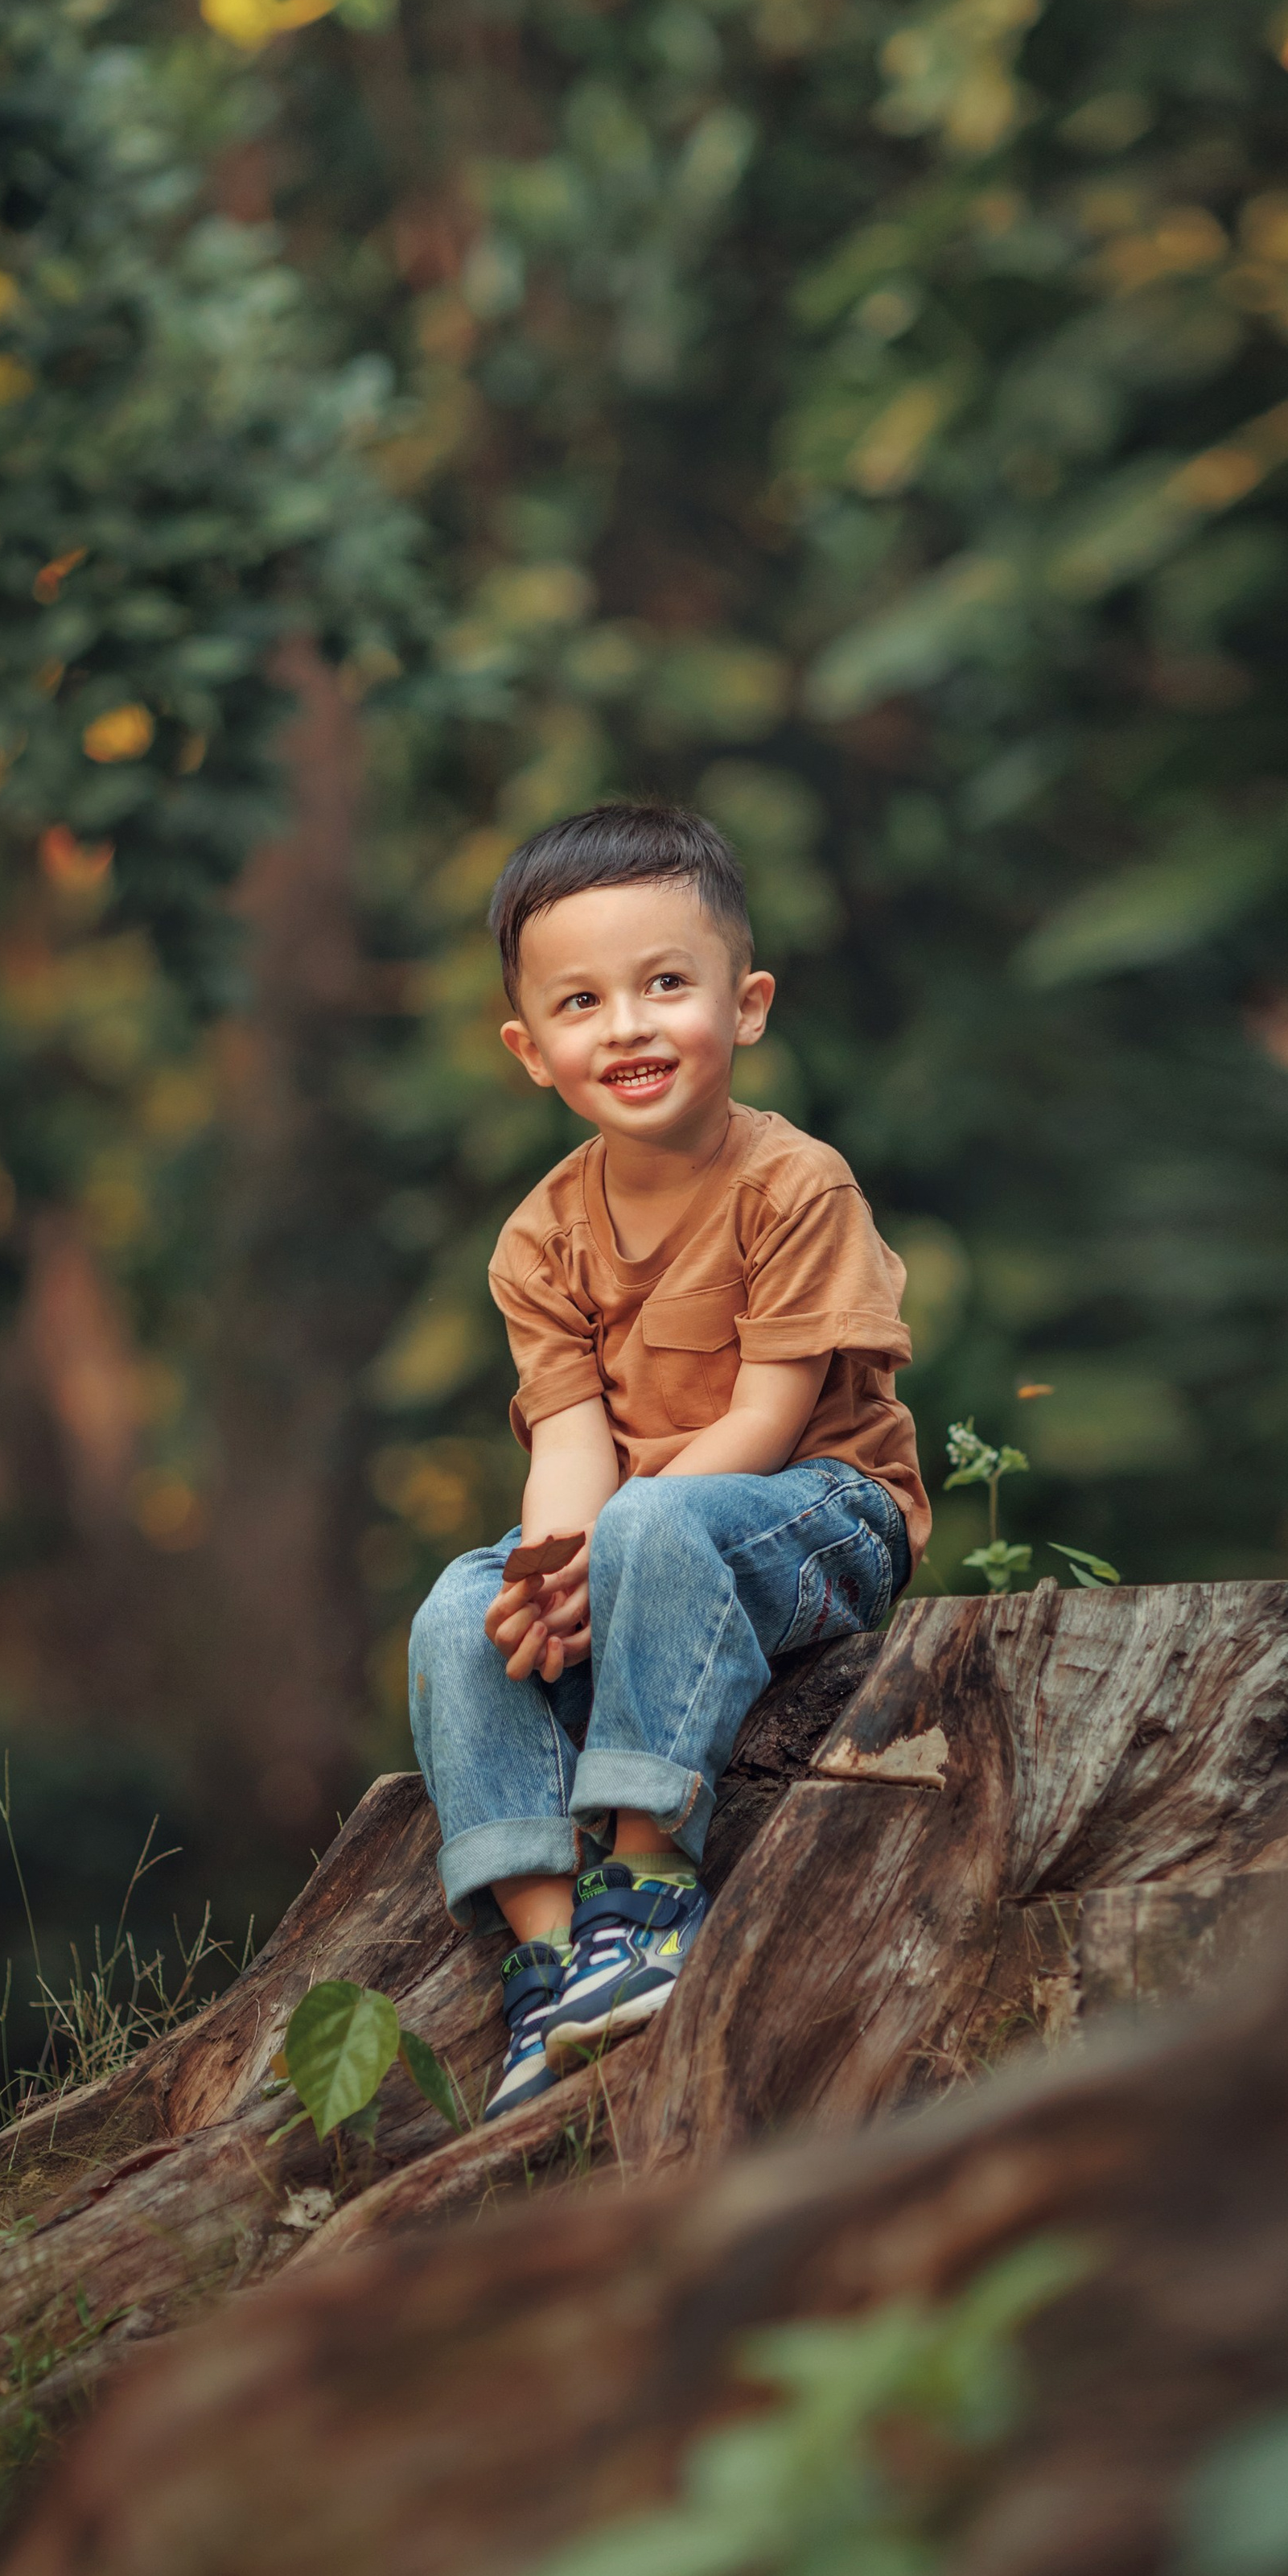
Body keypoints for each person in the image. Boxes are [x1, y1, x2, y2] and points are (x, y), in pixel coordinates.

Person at [407, 801, 928, 2121]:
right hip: (649, 1534)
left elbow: (769, 1416)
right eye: (581, 1002)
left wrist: (621, 1542)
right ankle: (547, 1961)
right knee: (466, 1606)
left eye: (665, 985)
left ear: (745, 1006)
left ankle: (646, 1889)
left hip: (817, 1516)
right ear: (531, 1051)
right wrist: (554, 1571)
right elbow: (572, 1439)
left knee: (648, 1529)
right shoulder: (539, 1237)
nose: (627, 1026)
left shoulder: (795, 1185)